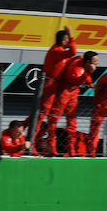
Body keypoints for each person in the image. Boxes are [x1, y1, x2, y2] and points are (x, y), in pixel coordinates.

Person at [31, 26, 76, 154]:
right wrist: (71, 34)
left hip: (53, 85)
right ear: (63, 41)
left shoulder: (58, 51)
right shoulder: (57, 51)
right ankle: (31, 143)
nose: (69, 42)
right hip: (50, 84)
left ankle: (42, 144)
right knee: (42, 115)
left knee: (45, 115)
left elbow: (71, 56)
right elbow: (72, 52)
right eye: (67, 40)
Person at [45, 51, 98, 157]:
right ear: (88, 62)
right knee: (54, 118)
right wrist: (89, 73)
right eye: (95, 61)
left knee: (72, 121)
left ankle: (72, 149)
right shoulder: (76, 69)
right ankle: (51, 147)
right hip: (65, 91)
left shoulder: (82, 63)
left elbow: (84, 75)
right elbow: (78, 79)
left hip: (73, 92)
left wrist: (89, 82)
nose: (97, 63)